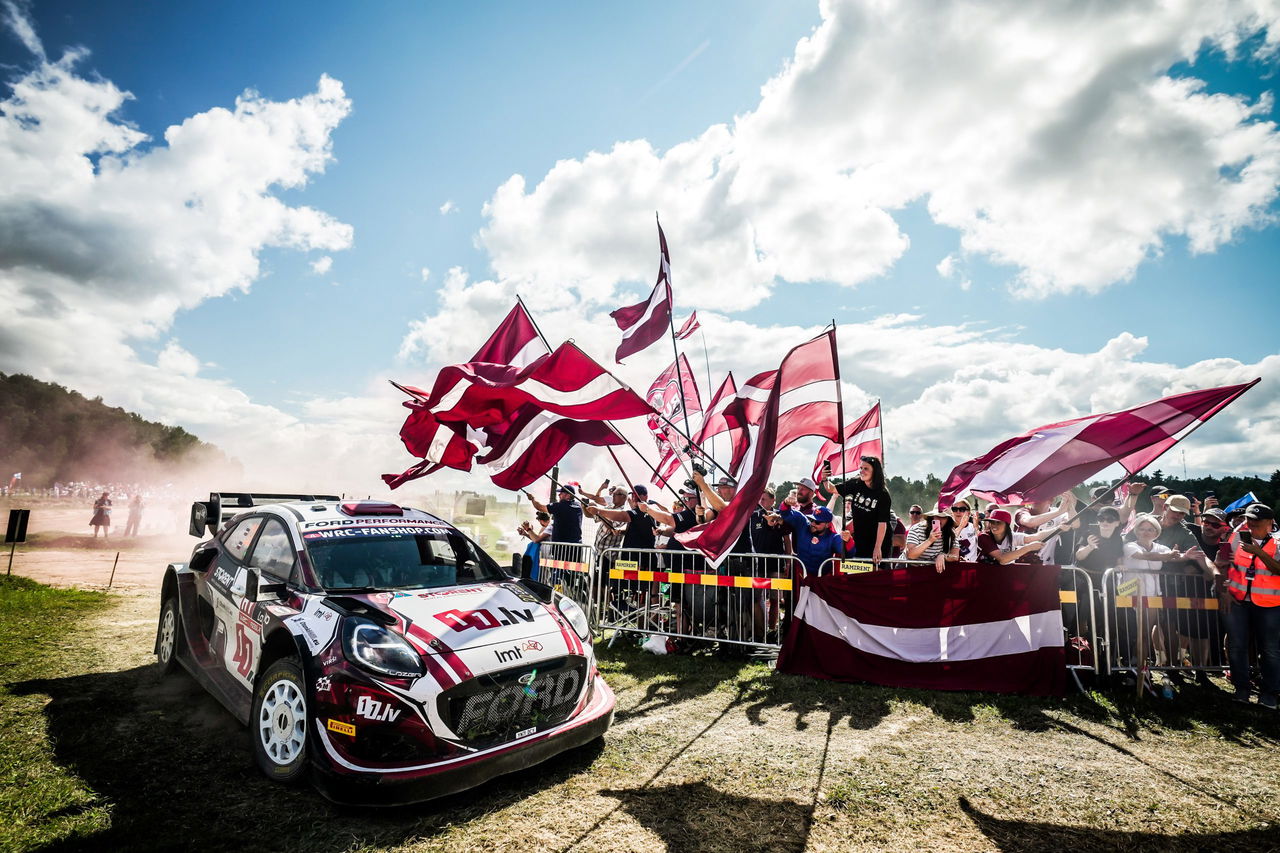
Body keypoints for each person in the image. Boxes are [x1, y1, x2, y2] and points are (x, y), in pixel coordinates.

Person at [1219, 503, 1280, 707]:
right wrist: (1224, 590)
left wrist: (1260, 553)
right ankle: (1241, 690)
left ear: (1270, 524)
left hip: (1269, 604)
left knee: (1270, 649)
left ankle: (1270, 694)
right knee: (1237, 646)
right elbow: (1222, 565)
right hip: (1237, 601)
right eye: (1249, 519)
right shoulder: (1236, 538)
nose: (1251, 524)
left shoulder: (1278, 543)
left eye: (1256, 521)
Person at [824, 455, 892, 564]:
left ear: (875, 471)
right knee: (858, 574)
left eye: (866, 468)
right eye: (861, 468)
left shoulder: (883, 494)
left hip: (878, 542)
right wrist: (824, 478)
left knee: (875, 574)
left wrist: (877, 547)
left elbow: (882, 523)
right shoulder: (856, 483)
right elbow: (831, 489)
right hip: (860, 539)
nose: (862, 471)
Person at [777, 503, 844, 576]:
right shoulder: (803, 524)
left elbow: (848, 552)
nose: (813, 524)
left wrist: (848, 540)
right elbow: (785, 514)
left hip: (822, 579)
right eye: (812, 519)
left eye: (817, 522)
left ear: (827, 525)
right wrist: (786, 503)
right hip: (801, 576)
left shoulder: (833, 537)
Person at [976, 508, 1063, 565]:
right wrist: (1028, 548)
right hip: (984, 576)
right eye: (992, 522)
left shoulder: (1012, 536)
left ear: (1007, 525)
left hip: (1003, 577)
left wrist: (1058, 528)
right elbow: (1002, 559)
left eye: (998, 522)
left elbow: (1037, 536)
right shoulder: (984, 536)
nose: (993, 525)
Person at [905, 508, 959, 572]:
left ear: (948, 519)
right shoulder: (916, 529)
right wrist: (929, 540)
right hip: (911, 569)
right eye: (937, 516)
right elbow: (911, 555)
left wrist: (944, 556)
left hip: (933, 571)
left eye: (943, 517)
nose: (939, 519)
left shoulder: (951, 533)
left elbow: (955, 556)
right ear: (932, 516)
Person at [517, 512, 551, 580]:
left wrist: (528, 530)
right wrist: (526, 534)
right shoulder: (544, 527)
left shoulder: (549, 527)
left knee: (545, 575)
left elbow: (536, 540)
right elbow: (536, 539)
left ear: (540, 521)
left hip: (548, 555)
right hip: (542, 555)